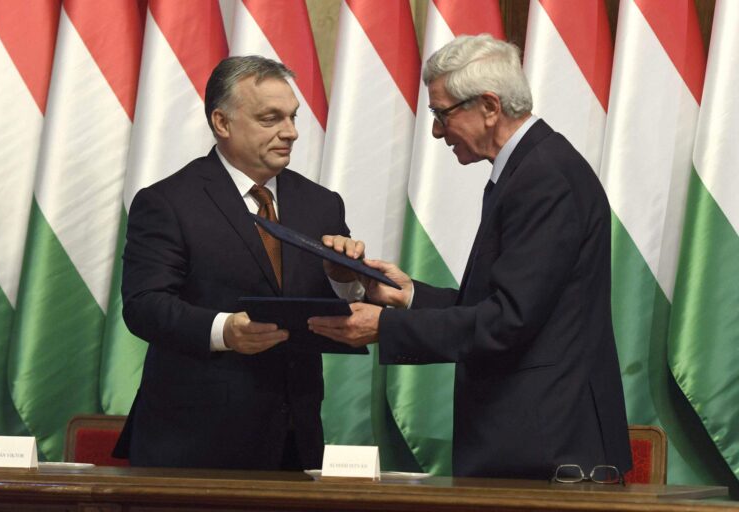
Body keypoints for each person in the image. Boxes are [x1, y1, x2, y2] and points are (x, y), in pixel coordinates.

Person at [310, 34, 632, 480]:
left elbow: (509, 321)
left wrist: (385, 326)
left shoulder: (544, 178)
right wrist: (408, 296)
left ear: (489, 106)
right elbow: (505, 305)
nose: (437, 132)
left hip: (548, 447)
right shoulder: (531, 168)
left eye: (441, 115)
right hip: (535, 439)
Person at [115, 56, 362, 471]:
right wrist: (225, 331)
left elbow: (328, 309)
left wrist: (343, 280)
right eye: (271, 118)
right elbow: (144, 305)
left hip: (294, 442)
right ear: (222, 122)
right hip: (193, 446)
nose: (291, 132)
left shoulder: (322, 204)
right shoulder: (168, 202)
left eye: (293, 117)